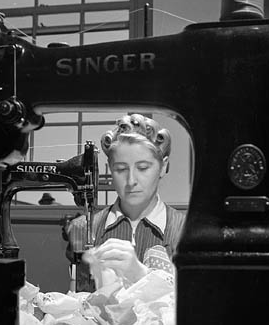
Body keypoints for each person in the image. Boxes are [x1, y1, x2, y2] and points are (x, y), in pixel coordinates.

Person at [65, 114, 185, 289]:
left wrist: (140, 275)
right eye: (120, 169)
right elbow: (78, 301)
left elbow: (193, 307)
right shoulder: (81, 228)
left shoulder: (185, 231)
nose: (131, 180)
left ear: (163, 166)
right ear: (109, 168)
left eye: (143, 168)